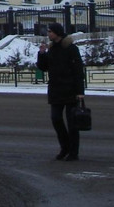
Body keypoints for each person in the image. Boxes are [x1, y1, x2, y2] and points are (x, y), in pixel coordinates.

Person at [36, 23, 85, 162]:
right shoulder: (52, 48)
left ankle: (73, 152)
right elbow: (43, 67)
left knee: (72, 124)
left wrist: (80, 91)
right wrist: (41, 54)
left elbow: (78, 71)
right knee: (56, 119)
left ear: (57, 33)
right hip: (56, 90)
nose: (48, 34)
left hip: (70, 90)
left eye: (50, 31)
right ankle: (65, 147)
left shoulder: (71, 48)